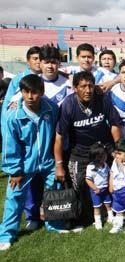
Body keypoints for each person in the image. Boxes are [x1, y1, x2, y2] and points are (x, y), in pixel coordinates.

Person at [0, 75, 66, 251]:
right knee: (14, 198)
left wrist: (58, 162)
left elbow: (58, 135)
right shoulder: (12, 116)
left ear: (42, 93)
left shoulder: (51, 109)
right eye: (26, 92)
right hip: (23, 165)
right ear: (20, 92)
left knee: (54, 193)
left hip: (47, 161)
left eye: (34, 92)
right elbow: (9, 145)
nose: (30, 96)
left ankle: (54, 225)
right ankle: (7, 234)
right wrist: (14, 170)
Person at [54, 71, 121, 230]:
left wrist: (118, 151)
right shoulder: (68, 105)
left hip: (103, 148)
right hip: (79, 152)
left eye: (91, 85)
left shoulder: (103, 99)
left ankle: (113, 212)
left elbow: (114, 125)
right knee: (80, 186)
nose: (88, 90)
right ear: (75, 88)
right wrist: (59, 165)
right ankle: (84, 216)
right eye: (83, 86)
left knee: (113, 181)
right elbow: (59, 138)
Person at [85, 142, 113, 230]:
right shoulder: (90, 167)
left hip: (105, 188)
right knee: (97, 207)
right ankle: (98, 221)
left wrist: (110, 183)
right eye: (102, 156)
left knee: (108, 203)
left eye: (105, 155)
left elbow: (109, 174)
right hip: (96, 190)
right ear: (96, 157)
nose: (105, 157)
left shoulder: (105, 165)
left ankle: (111, 216)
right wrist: (95, 188)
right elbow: (88, 179)